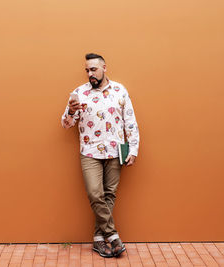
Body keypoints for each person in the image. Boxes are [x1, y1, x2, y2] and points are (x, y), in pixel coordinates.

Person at [61, 53, 140, 258]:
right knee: (95, 194)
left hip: (115, 151)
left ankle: (98, 239)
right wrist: (70, 111)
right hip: (90, 151)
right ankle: (112, 236)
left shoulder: (120, 90)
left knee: (109, 195)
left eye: (93, 69)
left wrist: (133, 149)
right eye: (87, 70)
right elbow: (66, 124)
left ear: (104, 68)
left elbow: (129, 121)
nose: (90, 74)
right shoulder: (79, 93)